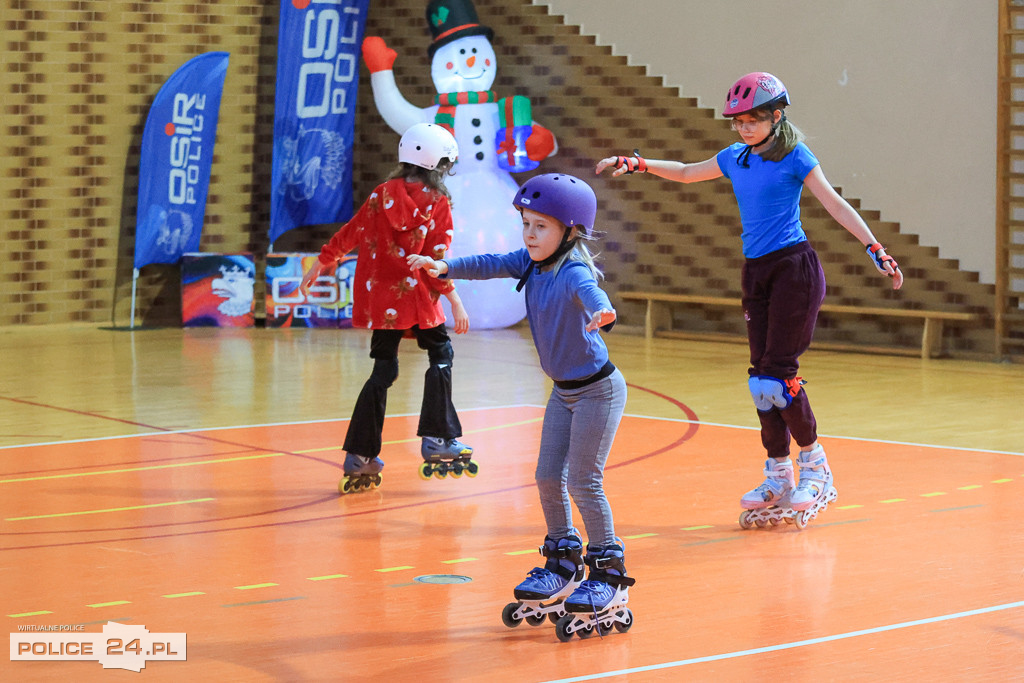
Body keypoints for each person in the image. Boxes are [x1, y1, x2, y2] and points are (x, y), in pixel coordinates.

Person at [596, 72, 904, 526]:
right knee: (761, 383)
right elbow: (685, 174)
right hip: (756, 273)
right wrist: (639, 164)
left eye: (753, 120)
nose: (743, 128)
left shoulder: (796, 156)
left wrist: (874, 247)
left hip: (794, 271)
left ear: (776, 117)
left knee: (779, 378)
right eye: (737, 121)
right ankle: (778, 471)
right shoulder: (735, 158)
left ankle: (815, 467)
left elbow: (835, 204)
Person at [408, 173, 635, 639]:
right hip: (563, 391)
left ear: (570, 232)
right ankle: (562, 560)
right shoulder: (532, 264)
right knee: (548, 476)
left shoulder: (572, 269)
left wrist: (603, 311)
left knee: (584, 481)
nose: (530, 235)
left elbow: (592, 292)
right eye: (526, 224)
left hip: (597, 390)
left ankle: (609, 572)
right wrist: (445, 267)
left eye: (541, 227)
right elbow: (490, 262)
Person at [301, 122, 474, 494]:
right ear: (438, 165)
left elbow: (352, 230)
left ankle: (361, 454)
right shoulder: (437, 204)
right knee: (440, 354)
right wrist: (454, 298)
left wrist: (324, 260)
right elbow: (436, 259)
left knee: (383, 371)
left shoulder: (381, 195)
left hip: (383, 300)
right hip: (417, 297)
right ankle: (438, 438)